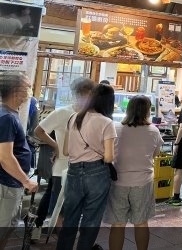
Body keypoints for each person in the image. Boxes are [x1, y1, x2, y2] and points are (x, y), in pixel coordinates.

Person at [56, 83, 117, 250]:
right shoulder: (106, 122)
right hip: (97, 173)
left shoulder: (74, 117)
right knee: (91, 221)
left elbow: (66, 150)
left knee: (70, 219)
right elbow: (109, 157)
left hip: (74, 172)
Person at [33, 77, 95, 236]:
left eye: (89, 95)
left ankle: (62, 234)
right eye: (83, 94)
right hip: (62, 167)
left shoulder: (94, 115)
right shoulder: (63, 112)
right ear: (75, 94)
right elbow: (38, 131)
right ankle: (48, 231)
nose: (86, 98)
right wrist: (55, 145)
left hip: (85, 168)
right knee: (58, 205)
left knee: (74, 206)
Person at [105, 95, 163, 250]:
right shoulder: (153, 131)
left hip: (118, 181)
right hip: (143, 182)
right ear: (147, 111)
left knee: (117, 224)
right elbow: (155, 154)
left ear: (128, 109)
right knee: (141, 222)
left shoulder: (116, 127)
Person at [0, 71, 38, 250]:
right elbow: (5, 157)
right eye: (27, 87)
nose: (29, 91)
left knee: (8, 227)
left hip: (10, 184)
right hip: (6, 185)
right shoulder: (7, 117)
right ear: (16, 91)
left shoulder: (9, 114)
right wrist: (26, 181)